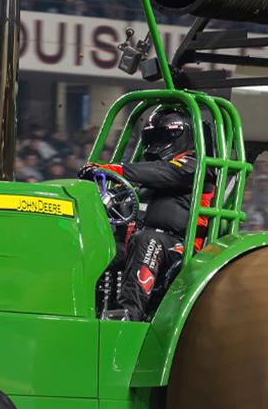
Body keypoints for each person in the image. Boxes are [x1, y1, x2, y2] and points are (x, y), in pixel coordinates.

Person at [79, 107, 216, 321]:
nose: (155, 143)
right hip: (139, 241)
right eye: (152, 136)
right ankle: (87, 310)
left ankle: (130, 315)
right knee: (102, 248)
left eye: (161, 136)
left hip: (178, 247)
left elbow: (166, 173)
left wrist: (114, 169)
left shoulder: (195, 166)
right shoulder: (145, 178)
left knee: (147, 239)